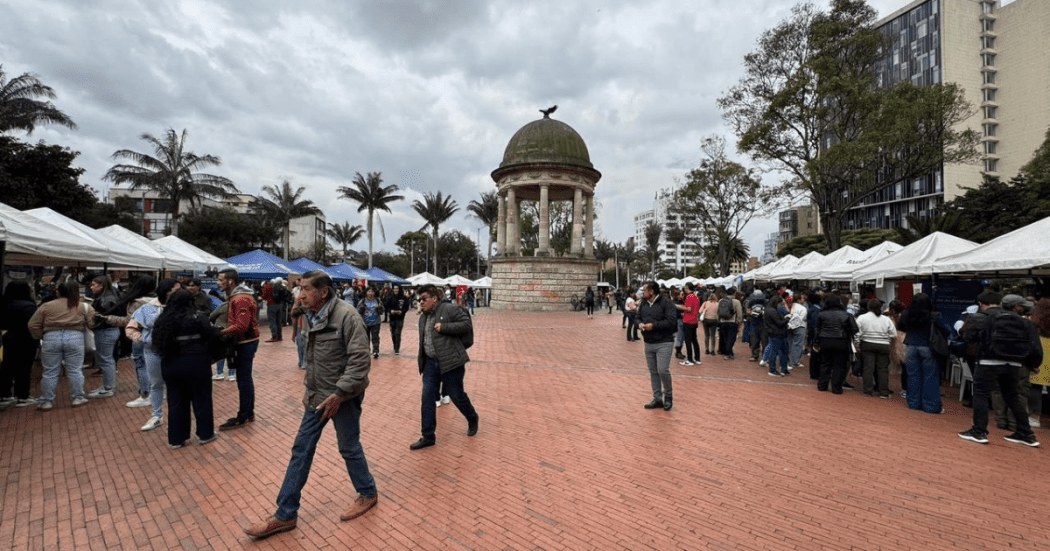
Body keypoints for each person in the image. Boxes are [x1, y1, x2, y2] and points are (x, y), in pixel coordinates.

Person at [244, 270, 378, 538]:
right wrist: (298, 313)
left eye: (305, 289)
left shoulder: (347, 316)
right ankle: (285, 514)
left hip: (344, 397)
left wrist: (339, 394)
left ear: (323, 292)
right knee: (301, 449)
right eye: (299, 288)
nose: (300, 294)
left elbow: (360, 361)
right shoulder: (308, 312)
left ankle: (367, 492)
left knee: (348, 447)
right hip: (316, 396)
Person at [958, 292, 1042, 447]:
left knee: (981, 394)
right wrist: (1033, 364)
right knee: (1013, 397)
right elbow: (1035, 346)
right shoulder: (1024, 323)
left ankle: (979, 431)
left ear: (982, 304)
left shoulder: (983, 317)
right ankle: (1026, 433)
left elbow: (968, 337)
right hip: (1014, 364)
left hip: (988, 361)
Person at [409, 284, 479, 450]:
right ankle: (428, 436)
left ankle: (472, 417)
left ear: (434, 298)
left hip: (450, 362)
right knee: (427, 398)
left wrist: (445, 327)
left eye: (424, 299)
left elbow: (466, 324)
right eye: (419, 300)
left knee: (456, 395)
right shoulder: (423, 317)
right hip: (430, 364)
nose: (421, 302)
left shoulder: (449, 309)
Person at [151, 290, 219, 448]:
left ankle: (176, 439)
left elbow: (157, 343)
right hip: (197, 362)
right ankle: (205, 434)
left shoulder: (162, 319)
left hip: (171, 364)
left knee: (175, 401)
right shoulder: (198, 317)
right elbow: (212, 339)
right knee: (202, 399)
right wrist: (213, 356)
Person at [28, 279, 96, 411]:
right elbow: (92, 323)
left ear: (59, 292)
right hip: (75, 337)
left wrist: (40, 335)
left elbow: (32, 324)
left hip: (51, 337)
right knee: (75, 370)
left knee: (49, 371)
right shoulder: (83, 306)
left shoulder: (46, 306)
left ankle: (46, 401)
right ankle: (78, 398)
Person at [126, 279, 180, 430]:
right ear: (165, 291)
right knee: (156, 384)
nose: (179, 293)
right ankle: (157, 416)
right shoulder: (147, 308)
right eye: (175, 290)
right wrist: (142, 338)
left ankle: (176, 416)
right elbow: (131, 327)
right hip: (152, 350)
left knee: (175, 384)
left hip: (175, 351)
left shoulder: (181, 306)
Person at [217, 269, 260, 430]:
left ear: (230, 282)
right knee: (245, 378)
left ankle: (243, 415)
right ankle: (248, 412)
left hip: (245, 342)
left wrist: (220, 332)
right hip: (246, 341)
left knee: (243, 379)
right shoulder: (238, 296)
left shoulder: (240, 298)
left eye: (221, 280)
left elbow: (242, 326)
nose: (219, 283)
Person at [897, 293, 951, 413]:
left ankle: (913, 403)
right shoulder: (933, 315)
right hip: (927, 347)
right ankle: (930, 405)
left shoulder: (906, 314)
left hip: (911, 346)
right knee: (930, 377)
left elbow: (901, 327)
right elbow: (946, 330)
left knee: (913, 376)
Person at [636, 281, 677, 411]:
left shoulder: (666, 303)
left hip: (664, 341)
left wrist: (654, 325)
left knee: (662, 369)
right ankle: (657, 398)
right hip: (649, 342)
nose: (643, 293)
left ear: (651, 292)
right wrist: (639, 324)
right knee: (653, 371)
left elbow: (671, 322)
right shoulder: (643, 303)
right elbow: (637, 317)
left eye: (644, 290)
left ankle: (668, 396)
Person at [0, 282, 39, 408]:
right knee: (24, 367)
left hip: (8, 338)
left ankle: (5, 394)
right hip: (26, 340)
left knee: (7, 366)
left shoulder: (4, 304)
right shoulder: (29, 306)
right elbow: (34, 324)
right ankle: (22, 396)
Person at [813, 294, 859, 392]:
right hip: (841, 341)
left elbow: (817, 329)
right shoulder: (847, 315)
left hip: (825, 340)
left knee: (825, 364)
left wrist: (815, 342)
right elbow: (855, 329)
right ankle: (836, 387)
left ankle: (822, 385)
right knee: (839, 365)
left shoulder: (822, 314)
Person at [87, 275, 122, 399]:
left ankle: (108, 387)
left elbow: (102, 317)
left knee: (106, 359)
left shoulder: (105, 299)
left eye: (94, 284)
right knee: (106, 359)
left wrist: (93, 320)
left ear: (102, 285)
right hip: (109, 330)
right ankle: (107, 385)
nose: (91, 287)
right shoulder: (108, 297)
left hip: (106, 331)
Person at [856, 299, 897, 398]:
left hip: (867, 344)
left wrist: (857, 344)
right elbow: (893, 334)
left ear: (868, 307)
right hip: (884, 345)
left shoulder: (862, 318)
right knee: (882, 369)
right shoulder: (886, 319)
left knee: (868, 368)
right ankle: (883, 391)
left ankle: (868, 390)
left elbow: (857, 332)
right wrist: (886, 339)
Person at [762, 294, 790, 377]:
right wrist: (787, 319)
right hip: (777, 333)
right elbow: (779, 323)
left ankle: (781, 369)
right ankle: (773, 369)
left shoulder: (769, 310)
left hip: (775, 333)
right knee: (776, 352)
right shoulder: (773, 311)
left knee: (779, 351)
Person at [356, 286, 384, 358]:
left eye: (372, 291)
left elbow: (382, 312)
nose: (370, 293)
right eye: (369, 291)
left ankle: (376, 351)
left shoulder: (377, 300)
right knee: (366, 338)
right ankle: (367, 350)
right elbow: (358, 311)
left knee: (375, 337)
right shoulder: (362, 301)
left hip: (376, 322)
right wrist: (362, 309)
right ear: (366, 293)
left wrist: (379, 308)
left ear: (374, 293)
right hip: (365, 322)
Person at [385, 284, 410, 355]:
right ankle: (394, 345)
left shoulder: (404, 298)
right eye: (394, 288)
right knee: (393, 332)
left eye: (397, 288)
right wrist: (390, 311)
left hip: (400, 318)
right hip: (392, 318)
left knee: (398, 332)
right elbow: (386, 306)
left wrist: (402, 312)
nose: (395, 290)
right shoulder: (390, 297)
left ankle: (397, 348)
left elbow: (406, 307)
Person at [681, 283, 701, 366]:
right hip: (694, 320)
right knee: (694, 340)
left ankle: (689, 359)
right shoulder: (695, 296)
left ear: (687, 288)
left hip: (688, 320)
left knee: (688, 341)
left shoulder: (689, 297)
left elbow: (688, 309)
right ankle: (697, 358)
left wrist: (679, 307)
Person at [787, 291, 808, 370]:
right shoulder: (803, 308)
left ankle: (787, 360)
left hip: (789, 326)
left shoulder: (789, 306)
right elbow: (801, 318)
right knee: (797, 344)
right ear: (799, 299)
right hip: (800, 326)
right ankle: (795, 361)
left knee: (789, 343)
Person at [261, 279, 283, 343]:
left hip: (271, 304)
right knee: (278, 321)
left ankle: (274, 336)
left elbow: (263, 296)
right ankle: (280, 336)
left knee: (272, 321)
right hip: (279, 305)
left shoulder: (267, 286)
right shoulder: (277, 286)